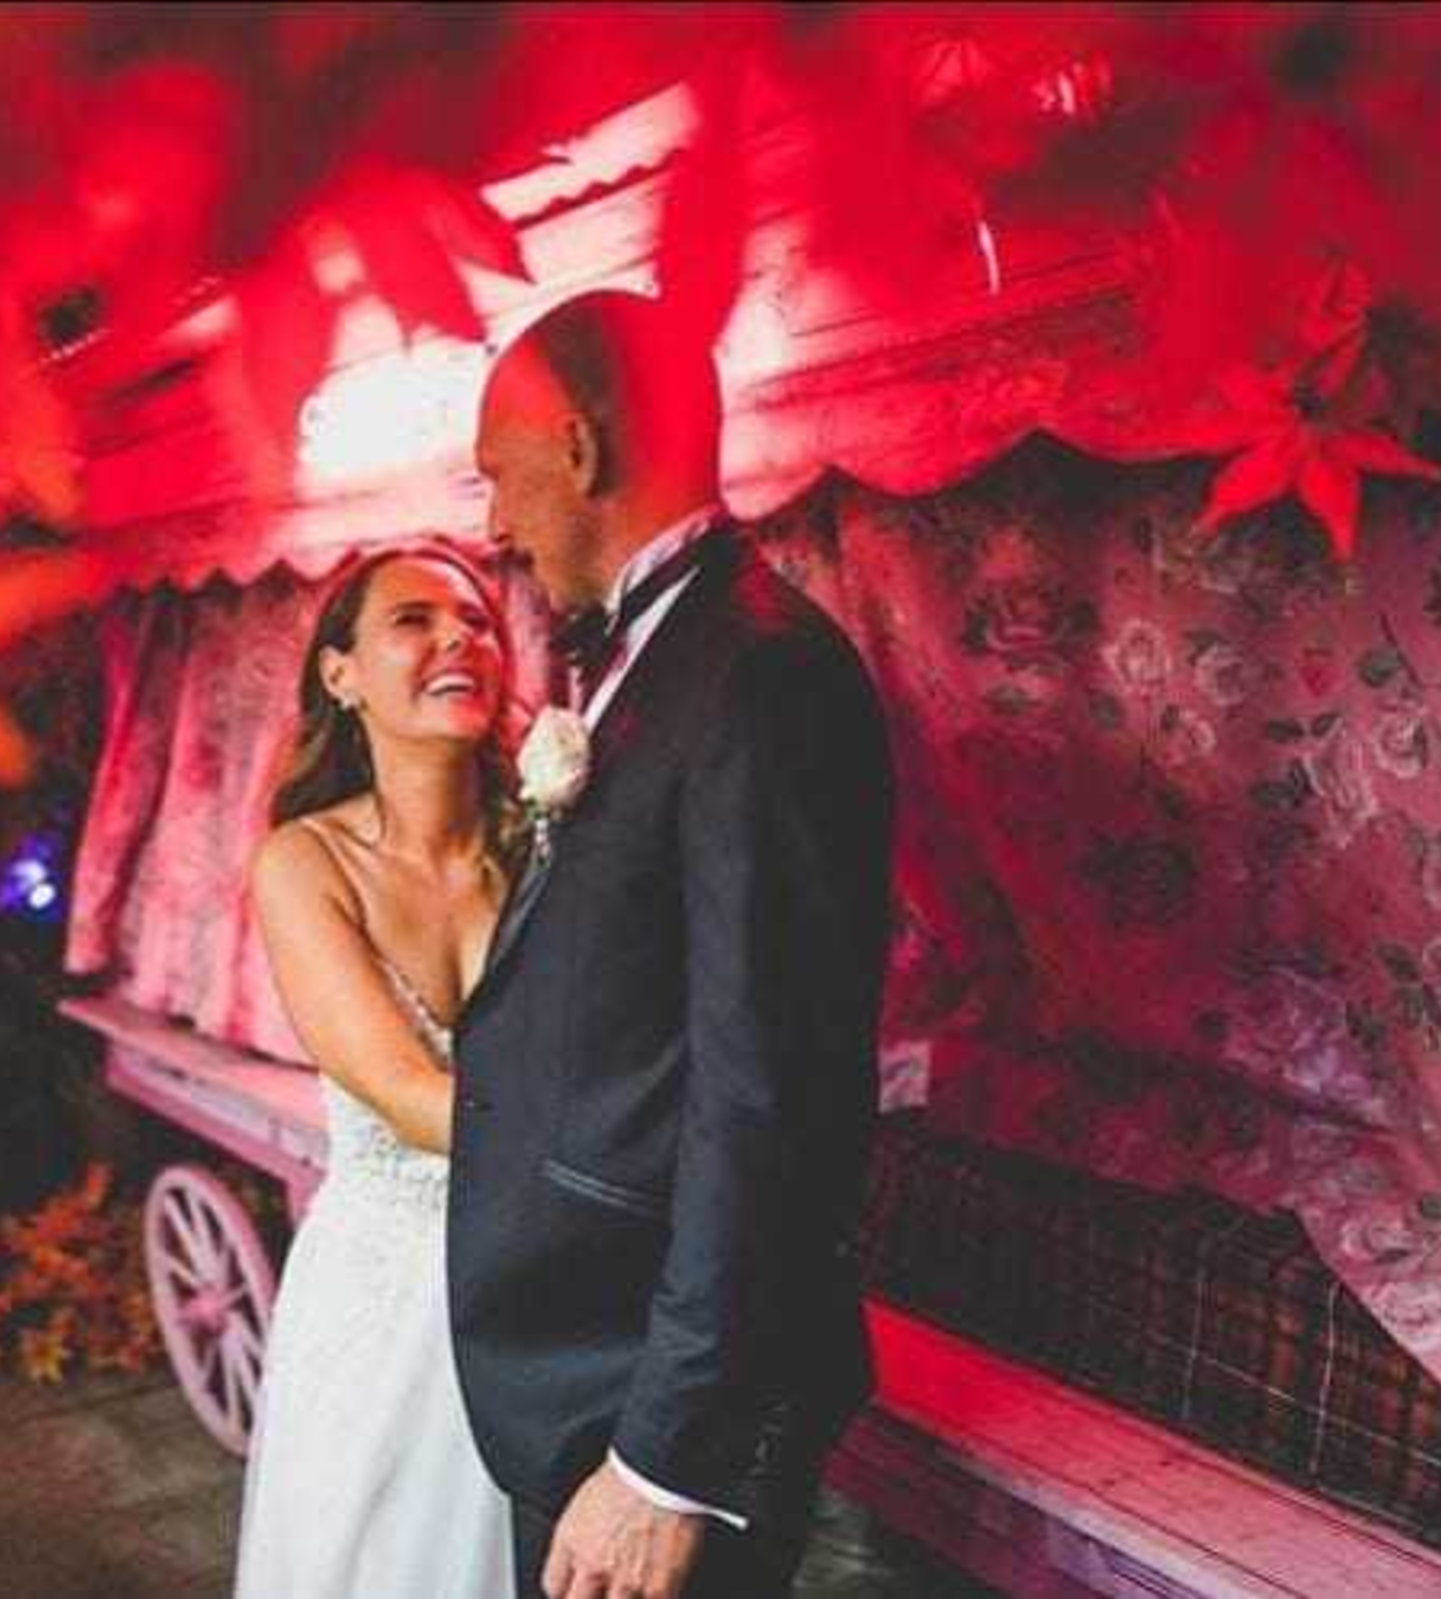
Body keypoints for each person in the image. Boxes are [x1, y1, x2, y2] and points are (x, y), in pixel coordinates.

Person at [451, 289, 896, 1599]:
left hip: (647, 1383)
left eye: (497, 475)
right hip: (599, 1350)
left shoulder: (761, 674)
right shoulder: (666, 653)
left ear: (578, 450)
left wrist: (665, 1459)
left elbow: (774, 1092)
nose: (493, 523)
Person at [233, 544, 523, 1598]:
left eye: (480, 620)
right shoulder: (304, 862)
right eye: (413, 619)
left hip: (549, 1273)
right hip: (389, 1291)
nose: (459, 638)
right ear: (340, 674)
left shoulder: (549, 847)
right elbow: (403, 1093)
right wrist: (622, 1153)